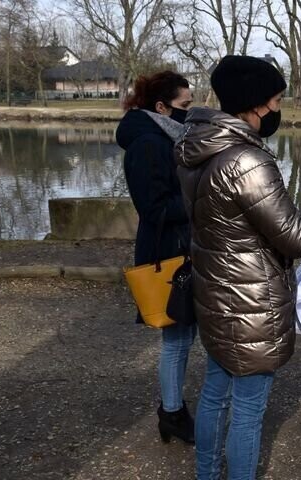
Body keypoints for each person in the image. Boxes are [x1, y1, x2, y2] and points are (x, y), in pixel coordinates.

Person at [175, 55, 301, 480]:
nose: (278, 108)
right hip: (251, 303)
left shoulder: (194, 148)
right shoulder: (246, 162)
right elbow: (300, 238)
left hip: (214, 293)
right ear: (255, 103)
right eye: (276, 100)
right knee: (247, 410)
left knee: (214, 393)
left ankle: (206, 475)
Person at [116, 71, 197, 444]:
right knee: (176, 338)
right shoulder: (148, 143)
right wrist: (200, 200)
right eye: (185, 105)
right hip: (167, 252)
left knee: (183, 335)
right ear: (161, 107)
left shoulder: (166, 136)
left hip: (179, 248)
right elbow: (153, 208)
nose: (189, 111)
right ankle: (172, 413)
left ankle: (173, 410)